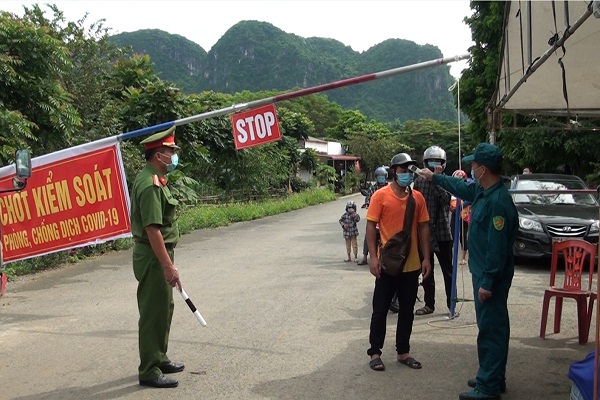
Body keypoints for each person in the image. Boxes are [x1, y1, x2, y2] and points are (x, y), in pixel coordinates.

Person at [418, 143, 518, 400]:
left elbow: (496, 248)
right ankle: (493, 374)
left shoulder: (497, 201)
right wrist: (434, 176)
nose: (471, 169)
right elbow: (461, 187)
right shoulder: (484, 192)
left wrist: (487, 282)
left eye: (474, 166)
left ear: (483, 170)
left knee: (490, 328)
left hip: (490, 275)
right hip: (484, 272)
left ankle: (488, 386)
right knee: (494, 325)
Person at [366, 153, 431, 372]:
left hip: (411, 265)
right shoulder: (380, 196)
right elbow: (370, 227)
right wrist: (373, 258)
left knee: (406, 310)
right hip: (387, 264)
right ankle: (375, 352)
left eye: (409, 170)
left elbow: (423, 228)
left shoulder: (418, 198)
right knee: (380, 309)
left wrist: (427, 258)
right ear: (394, 171)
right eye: (402, 170)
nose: (406, 174)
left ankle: (403, 352)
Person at [131, 126, 184, 389]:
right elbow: (152, 229)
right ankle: (149, 369)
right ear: (157, 155)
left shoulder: (156, 179)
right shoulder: (150, 184)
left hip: (157, 255)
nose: (174, 156)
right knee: (154, 311)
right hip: (153, 256)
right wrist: (168, 266)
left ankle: (159, 357)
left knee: (165, 308)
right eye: (170, 151)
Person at [413, 146, 454, 316]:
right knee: (426, 269)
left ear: (443, 165)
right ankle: (429, 304)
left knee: (448, 271)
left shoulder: (446, 180)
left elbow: (446, 200)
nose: (434, 165)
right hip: (425, 233)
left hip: (443, 232)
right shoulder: (418, 181)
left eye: (438, 162)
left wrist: (435, 180)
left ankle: (452, 305)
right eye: (431, 162)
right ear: (425, 163)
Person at [358, 166, 389, 265]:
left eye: (383, 176)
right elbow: (368, 198)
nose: (381, 178)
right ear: (376, 177)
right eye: (379, 176)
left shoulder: (389, 188)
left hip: (387, 216)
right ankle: (364, 257)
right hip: (375, 216)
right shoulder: (373, 188)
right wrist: (367, 203)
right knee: (369, 234)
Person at [450, 169, 472, 265]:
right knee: (452, 233)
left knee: (463, 234)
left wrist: (461, 205)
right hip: (455, 213)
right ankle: (451, 256)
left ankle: (464, 257)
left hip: (464, 214)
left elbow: (470, 199)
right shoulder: (452, 188)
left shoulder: (468, 187)